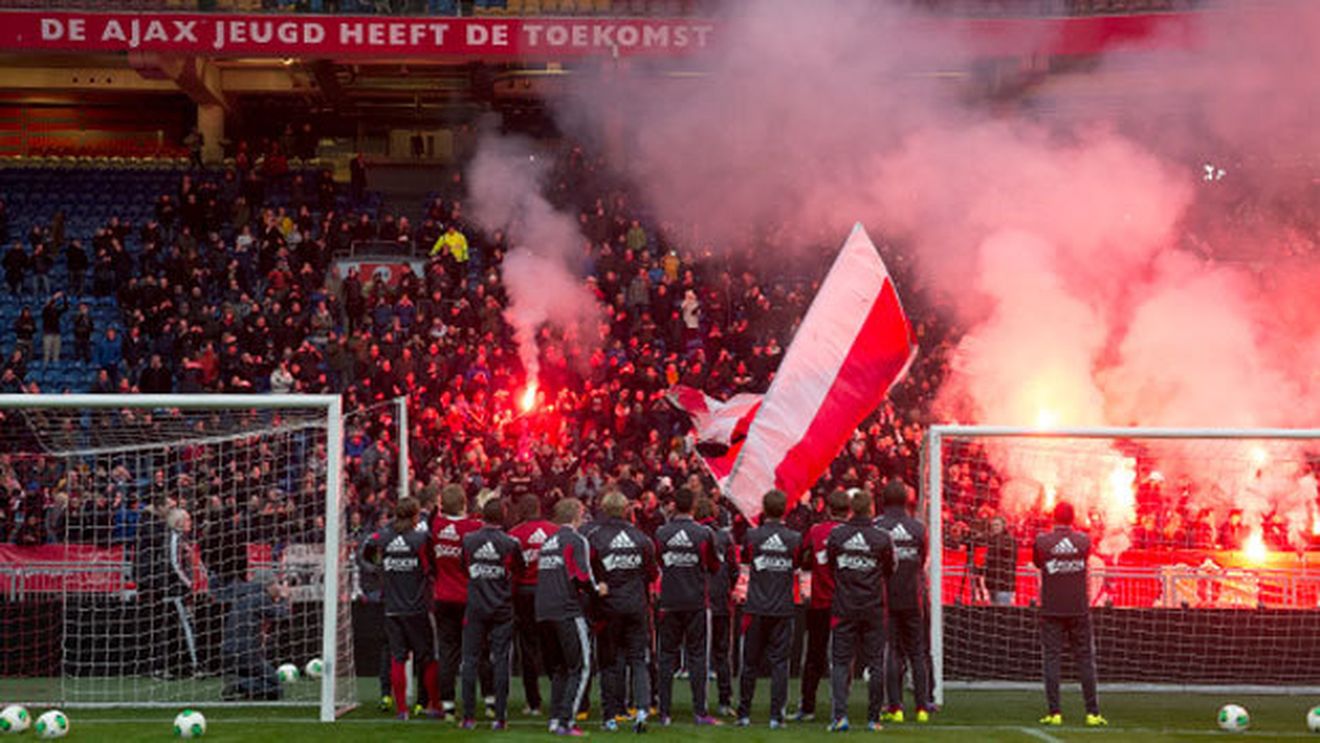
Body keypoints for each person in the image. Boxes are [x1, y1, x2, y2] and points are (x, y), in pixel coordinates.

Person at [360, 497, 443, 721]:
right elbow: (433, 568)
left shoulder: (384, 537)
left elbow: (366, 549)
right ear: (416, 516)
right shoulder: (421, 539)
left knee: (398, 658)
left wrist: (377, 568)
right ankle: (434, 705)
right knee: (427, 658)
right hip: (416, 608)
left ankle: (402, 711)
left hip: (392, 608)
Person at [534, 497, 607, 738]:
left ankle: (556, 718)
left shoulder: (547, 542)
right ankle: (566, 721)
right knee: (581, 666)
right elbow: (582, 577)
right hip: (566, 609)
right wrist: (599, 591)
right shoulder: (576, 540)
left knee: (560, 669)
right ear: (576, 514)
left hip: (543, 611)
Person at [586, 490, 658, 732]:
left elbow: (589, 572)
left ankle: (610, 717)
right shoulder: (641, 538)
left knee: (608, 662)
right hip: (636, 606)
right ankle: (641, 712)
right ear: (627, 510)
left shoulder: (595, 537)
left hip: (608, 608)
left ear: (604, 509)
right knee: (638, 660)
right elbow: (653, 574)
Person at [825, 489, 894, 732]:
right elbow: (889, 569)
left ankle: (840, 717)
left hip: (845, 606)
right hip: (873, 607)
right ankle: (873, 719)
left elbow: (831, 564)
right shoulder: (882, 538)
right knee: (875, 663)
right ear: (872, 509)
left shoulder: (837, 535)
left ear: (852, 509)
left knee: (841, 662)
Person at [1033, 501, 1106, 727]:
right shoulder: (1083, 541)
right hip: (1078, 609)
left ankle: (1054, 713)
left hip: (1052, 608)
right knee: (1085, 660)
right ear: (1073, 518)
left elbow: (1038, 563)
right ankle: (1092, 713)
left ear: (1053, 518)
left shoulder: (1042, 541)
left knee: (1052, 660)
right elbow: (1084, 558)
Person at [654, 486, 722, 727]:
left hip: (669, 601)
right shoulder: (703, 534)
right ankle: (700, 712)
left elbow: (659, 561)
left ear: (674, 505)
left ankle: (663, 713)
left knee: (665, 657)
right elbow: (714, 566)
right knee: (697, 657)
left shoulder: (662, 533)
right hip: (695, 602)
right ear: (693, 506)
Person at [735, 489, 803, 729]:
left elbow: (743, 570)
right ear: (784, 510)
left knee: (749, 663)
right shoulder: (794, 539)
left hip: (755, 608)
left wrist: (741, 596)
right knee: (779, 664)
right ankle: (776, 717)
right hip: (782, 608)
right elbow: (797, 571)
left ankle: (743, 714)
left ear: (764, 509)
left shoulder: (752, 536)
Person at [459, 498, 524, 730]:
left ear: (484, 516)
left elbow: (463, 567)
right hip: (502, 608)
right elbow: (520, 570)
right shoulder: (510, 543)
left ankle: (467, 717)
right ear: (503, 516)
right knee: (501, 661)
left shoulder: (468, 541)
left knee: (470, 660)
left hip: (476, 606)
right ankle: (500, 718)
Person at [875, 479, 930, 723]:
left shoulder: (878, 527)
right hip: (913, 597)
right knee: (917, 652)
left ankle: (895, 707)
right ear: (907, 500)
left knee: (892, 651)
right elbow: (923, 558)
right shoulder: (918, 528)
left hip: (887, 597)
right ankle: (922, 707)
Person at [793, 489, 849, 722]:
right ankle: (840, 708)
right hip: (846, 603)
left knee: (814, 657)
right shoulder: (851, 533)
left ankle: (807, 707)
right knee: (843, 658)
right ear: (848, 511)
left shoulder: (816, 531)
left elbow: (799, 556)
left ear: (827, 509)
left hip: (820, 603)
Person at [430, 484, 482, 717]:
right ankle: (477, 703)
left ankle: (448, 704)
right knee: (473, 651)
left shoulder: (437, 526)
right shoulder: (473, 527)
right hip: (467, 597)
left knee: (447, 652)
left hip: (442, 597)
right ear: (463, 503)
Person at [508, 494, 556, 716]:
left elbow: (510, 568)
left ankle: (533, 702)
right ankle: (559, 698)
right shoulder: (554, 531)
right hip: (550, 592)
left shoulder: (515, 534)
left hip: (525, 594)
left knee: (528, 648)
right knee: (553, 646)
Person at [217, 570, 292, 701]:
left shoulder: (243, 595)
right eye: (277, 583)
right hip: (246, 654)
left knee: (263, 679)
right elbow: (282, 615)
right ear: (268, 585)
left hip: (228, 653)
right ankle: (239, 684)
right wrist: (284, 598)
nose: (279, 587)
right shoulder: (260, 597)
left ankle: (241, 684)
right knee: (276, 688)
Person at [696, 497, 737, 718]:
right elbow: (734, 569)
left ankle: (699, 703)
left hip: (698, 602)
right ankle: (724, 701)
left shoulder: (694, 535)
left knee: (697, 653)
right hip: (720, 602)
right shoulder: (725, 537)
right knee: (722, 653)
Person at [985, 516, 1018, 606]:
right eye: (993, 525)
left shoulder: (1009, 540)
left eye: (997, 525)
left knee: (1002, 613)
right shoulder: (991, 540)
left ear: (1003, 526)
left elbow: (1006, 559)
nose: (994, 527)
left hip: (1004, 585)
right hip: (991, 584)